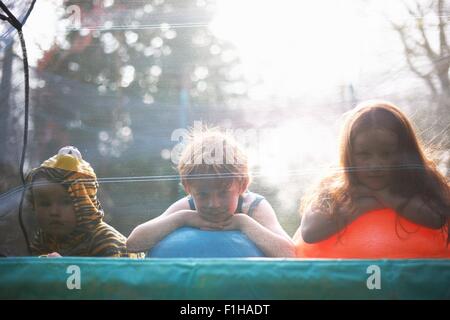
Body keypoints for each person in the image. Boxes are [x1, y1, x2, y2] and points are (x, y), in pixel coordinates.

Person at [298, 101, 449, 245]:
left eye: (386, 154)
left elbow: (437, 218)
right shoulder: (334, 185)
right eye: (364, 154)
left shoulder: (421, 180)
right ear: (349, 155)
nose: (375, 165)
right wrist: (358, 208)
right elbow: (309, 232)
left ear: (405, 153)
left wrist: (384, 196)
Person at [127, 128, 295, 257]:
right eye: (203, 194)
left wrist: (244, 223)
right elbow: (133, 243)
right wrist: (181, 218)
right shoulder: (188, 206)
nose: (213, 204)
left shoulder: (253, 207)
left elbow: (291, 254)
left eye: (223, 193)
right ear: (188, 188)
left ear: (242, 185)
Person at [27, 146, 138, 257]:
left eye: (65, 202)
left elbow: (111, 274)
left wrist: (63, 267)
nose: (54, 212)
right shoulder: (45, 237)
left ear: (85, 202)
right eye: (45, 204)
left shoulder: (105, 240)